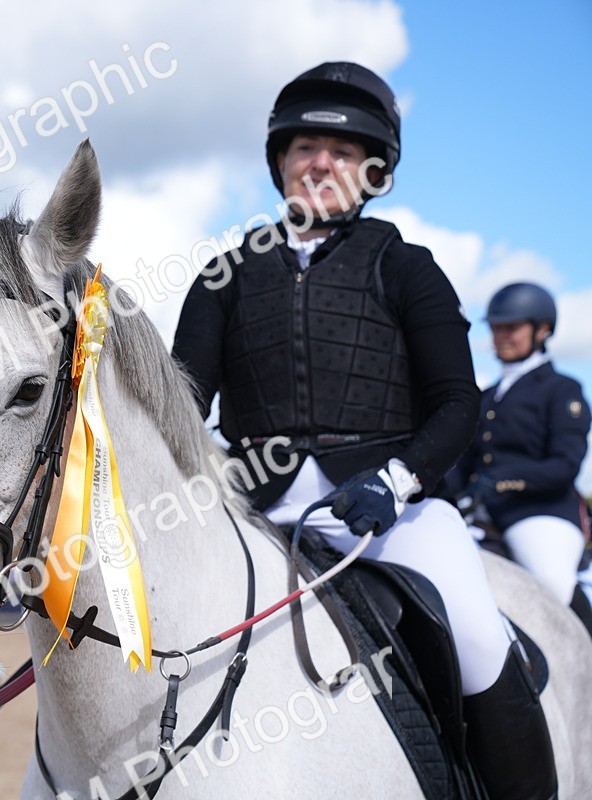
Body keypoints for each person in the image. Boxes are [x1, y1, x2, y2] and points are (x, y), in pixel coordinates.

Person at [172, 62, 555, 799]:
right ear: (281, 162)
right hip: (255, 511)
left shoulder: (407, 267)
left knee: (478, 637)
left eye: (343, 152)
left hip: (389, 512)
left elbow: (457, 402)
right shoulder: (226, 275)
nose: (321, 163)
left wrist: (397, 480)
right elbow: (181, 405)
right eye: (305, 147)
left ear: (373, 172)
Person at [447, 283, 592, 633]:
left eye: (511, 328)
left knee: (552, 583)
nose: (501, 337)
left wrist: (500, 482)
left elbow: (564, 466)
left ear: (542, 330)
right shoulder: (485, 397)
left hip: (537, 512)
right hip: (477, 512)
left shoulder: (562, 390)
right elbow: (461, 464)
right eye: (496, 327)